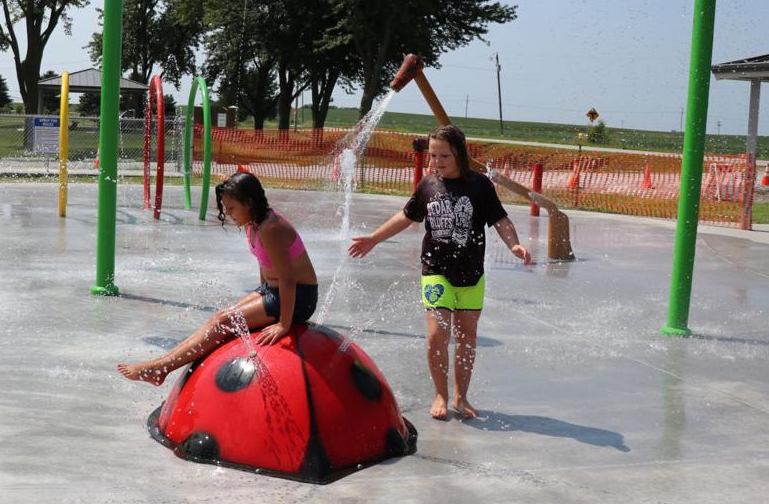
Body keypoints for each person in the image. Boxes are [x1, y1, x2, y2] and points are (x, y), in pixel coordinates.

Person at [348, 125, 531, 421]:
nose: (437, 161)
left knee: (467, 336)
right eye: (433, 155)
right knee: (437, 335)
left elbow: (501, 220)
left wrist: (515, 245)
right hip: (435, 271)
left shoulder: (480, 186)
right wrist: (374, 238)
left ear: (459, 152)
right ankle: (441, 394)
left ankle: (462, 395)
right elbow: (405, 216)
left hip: (471, 274)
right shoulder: (428, 185)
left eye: (443, 155)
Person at [118, 171, 319, 386]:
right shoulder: (255, 223)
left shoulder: (271, 228)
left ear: (249, 203)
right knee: (220, 318)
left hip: (298, 298)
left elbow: (288, 280)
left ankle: (160, 369)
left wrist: (283, 324)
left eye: (232, 208)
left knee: (224, 322)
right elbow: (266, 264)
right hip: (274, 291)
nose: (228, 213)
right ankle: (159, 365)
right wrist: (258, 299)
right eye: (226, 208)